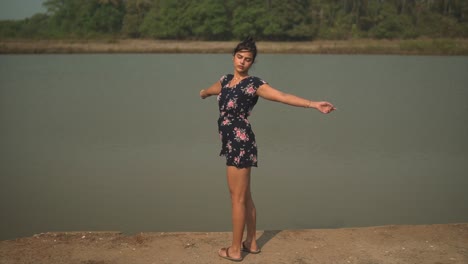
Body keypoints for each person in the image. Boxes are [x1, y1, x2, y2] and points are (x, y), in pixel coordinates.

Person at [199, 37, 335, 262]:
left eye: (248, 59)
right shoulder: (225, 81)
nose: (242, 62)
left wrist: (313, 104)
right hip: (231, 143)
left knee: (237, 197)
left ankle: (234, 249)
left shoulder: (254, 84)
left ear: (252, 63)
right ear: (233, 57)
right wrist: (203, 92)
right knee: (245, 195)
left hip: (241, 143)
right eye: (240, 57)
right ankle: (251, 242)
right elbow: (211, 90)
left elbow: (282, 97)